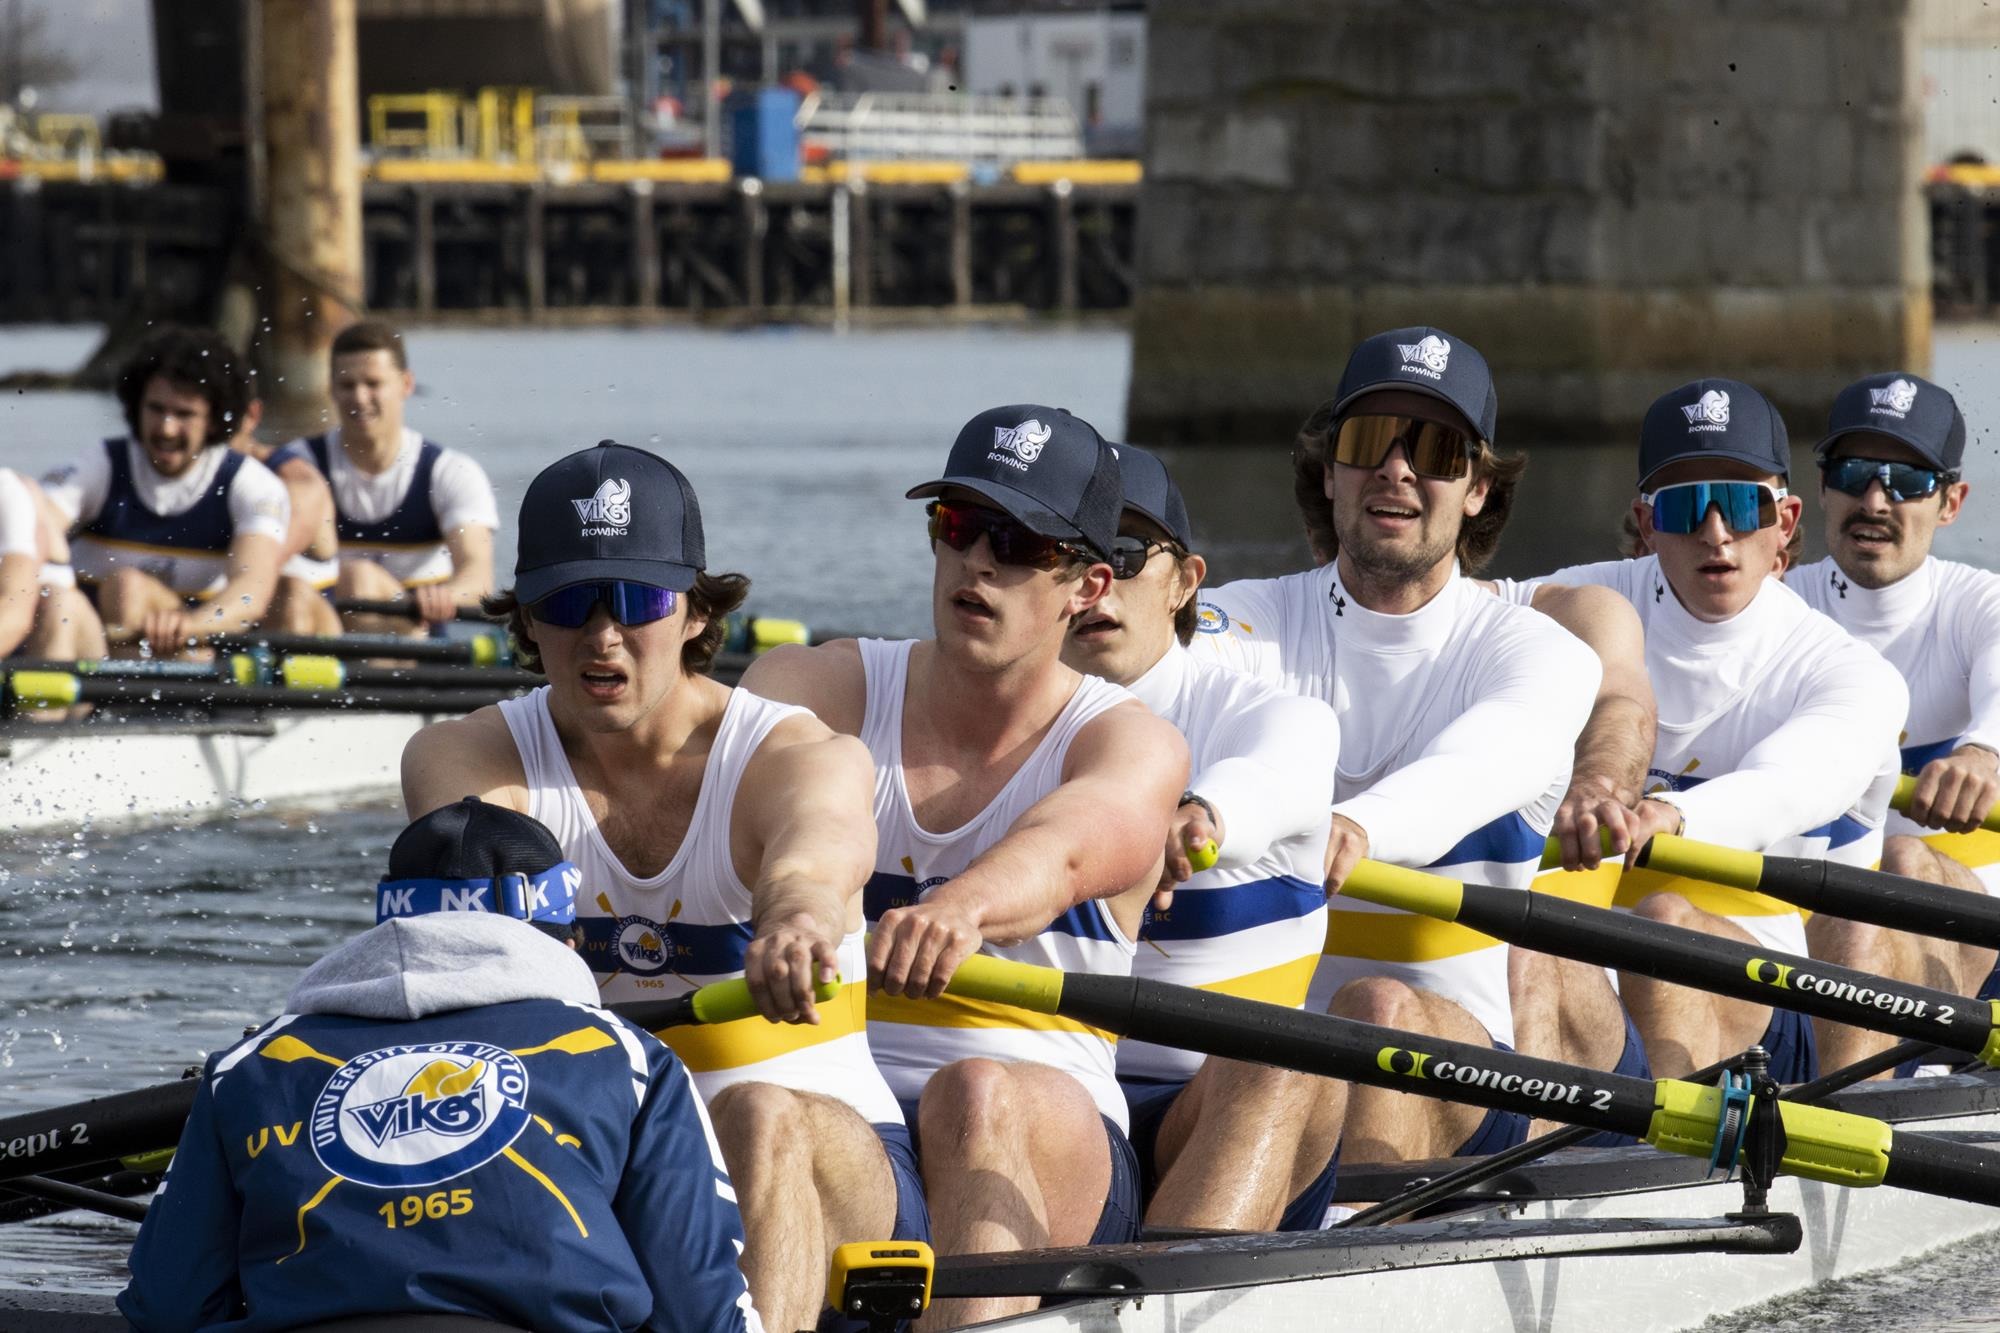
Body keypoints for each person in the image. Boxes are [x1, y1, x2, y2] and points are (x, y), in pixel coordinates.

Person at [401, 441, 917, 1333]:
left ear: (693, 613)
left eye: (637, 599)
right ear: (526, 618)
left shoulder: (794, 753)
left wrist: (795, 919)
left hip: (834, 1162)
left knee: (756, 1114)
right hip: (603, 1159)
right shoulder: (463, 759)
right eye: (571, 601)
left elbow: (816, 856)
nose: (604, 633)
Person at [741, 405, 1187, 1329]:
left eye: (1017, 543)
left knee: (974, 1090)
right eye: (958, 525)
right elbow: (715, 765)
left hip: (1049, 1144)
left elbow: (1067, 847)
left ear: (1087, 584)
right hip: (863, 1137)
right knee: (758, 1107)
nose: (978, 563)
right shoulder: (818, 688)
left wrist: (964, 908)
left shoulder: (1128, 741)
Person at [1188, 328, 1601, 1180]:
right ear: (1331, 470)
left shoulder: (1535, 652)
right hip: (1256, 1067)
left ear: (1479, 489)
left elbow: (1482, 763)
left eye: (1438, 450)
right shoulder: (1244, 624)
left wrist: (1357, 827)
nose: (1399, 469)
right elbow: (1148, 691)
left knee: (1370, 1006)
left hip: (1469, 1070)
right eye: (1369, 441)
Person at [119, 797, 762, 1333]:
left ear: (391, 920)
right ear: (566, 938)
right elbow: (699, 1312)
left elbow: (166, 1303)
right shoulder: (622, 1053)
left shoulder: (252, 1064)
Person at [1494, 377, 1907, 1080]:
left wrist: (1672, 813)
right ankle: (1516, 1174)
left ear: (1785, 517)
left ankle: (1661, 1172)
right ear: (1647, 523)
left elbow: (1790, 783)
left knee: (1664, 918)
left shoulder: (1848, 672)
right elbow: (1442, 612)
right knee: (1527, 942)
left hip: (1769, 1005)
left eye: (1745, 503)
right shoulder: (1583, 600)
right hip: (1594, 985)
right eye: (1686, 505)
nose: (1716, 531)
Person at [1060, 444, 1342, 1232]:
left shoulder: (1266, 714)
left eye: (1121, 553)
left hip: (1220, 1111)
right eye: (1072, 554)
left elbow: (1282, 766)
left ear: (1186, 581)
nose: (1096, 583)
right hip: (1053, 1108)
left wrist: (1200, 818)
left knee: (1286, 1050)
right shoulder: (990, 728)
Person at [1783, 372, 2000, 1072]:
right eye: (1853, 474)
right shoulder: (1775, 608)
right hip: (1812, 931)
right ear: (1822, 489)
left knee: (1901, 859)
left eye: (1905, 479)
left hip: (1973, 940)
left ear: (1951, 502)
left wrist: (1983, 754)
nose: (1875, 500)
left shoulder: (1978, 605)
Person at [40, 326, 289, 656]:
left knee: (128, 587)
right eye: (156, 410)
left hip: (199, 652)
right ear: (136, 406)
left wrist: (193, 626)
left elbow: (250, 594)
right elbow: (36, 529)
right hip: (94, 645)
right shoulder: (99, 464)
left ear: (213, 421)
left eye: (184, 414)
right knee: (88, 594)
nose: (166, 429)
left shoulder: (251, 485)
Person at [297, 320, 498, 633]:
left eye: (373, 383)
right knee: (350, 580)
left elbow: (477, 578)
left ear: (406, 385)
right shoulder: (300, 466)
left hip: (423, 642)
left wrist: (444, 597)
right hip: (326, 636)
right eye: (347, 385)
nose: (360, 398)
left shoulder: (450, 473)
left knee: (359, 579)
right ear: (331, 389)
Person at [229, 385, 343, 637]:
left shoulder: (300, 484)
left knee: (290, 592)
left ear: (251, 416)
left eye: (218, 417)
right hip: (219, 640)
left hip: (302, 636)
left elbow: (259, 570)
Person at [0, 467, 105, 661]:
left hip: (58, 632)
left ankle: (44, 692)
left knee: (59, 603)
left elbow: (15, 616)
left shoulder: (7, 491)